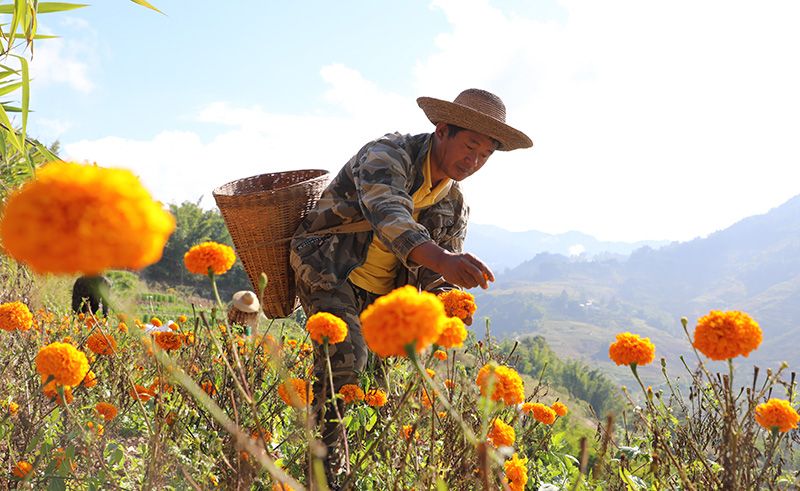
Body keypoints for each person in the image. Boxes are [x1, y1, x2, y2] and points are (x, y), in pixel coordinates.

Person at [289, 88, 533, 484]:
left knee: (379, 392)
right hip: (329, 266)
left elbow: (436, 277)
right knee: (346, 362)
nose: (473, 161)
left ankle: (359, 471)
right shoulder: (387, 154)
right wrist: (443, 260)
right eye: (469, 146)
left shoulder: (453, 203)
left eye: (485, 155)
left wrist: (448, 304)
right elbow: (389, 212)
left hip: (383, 295)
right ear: (441, 130)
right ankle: (322, 473)